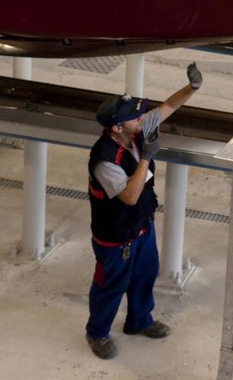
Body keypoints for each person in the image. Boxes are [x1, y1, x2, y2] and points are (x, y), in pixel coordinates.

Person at [84, 62, 203, 360]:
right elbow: (129, 196)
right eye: (135, 117)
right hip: (115, 237)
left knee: (144, 276)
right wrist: (146, 159)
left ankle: (139, 321)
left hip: (141, 226)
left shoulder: (135, 130)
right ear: (117, 126)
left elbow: (168, 107)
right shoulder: (104, 160)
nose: (142, 118)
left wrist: (192, 88)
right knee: (110, 286)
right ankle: (97, 333)